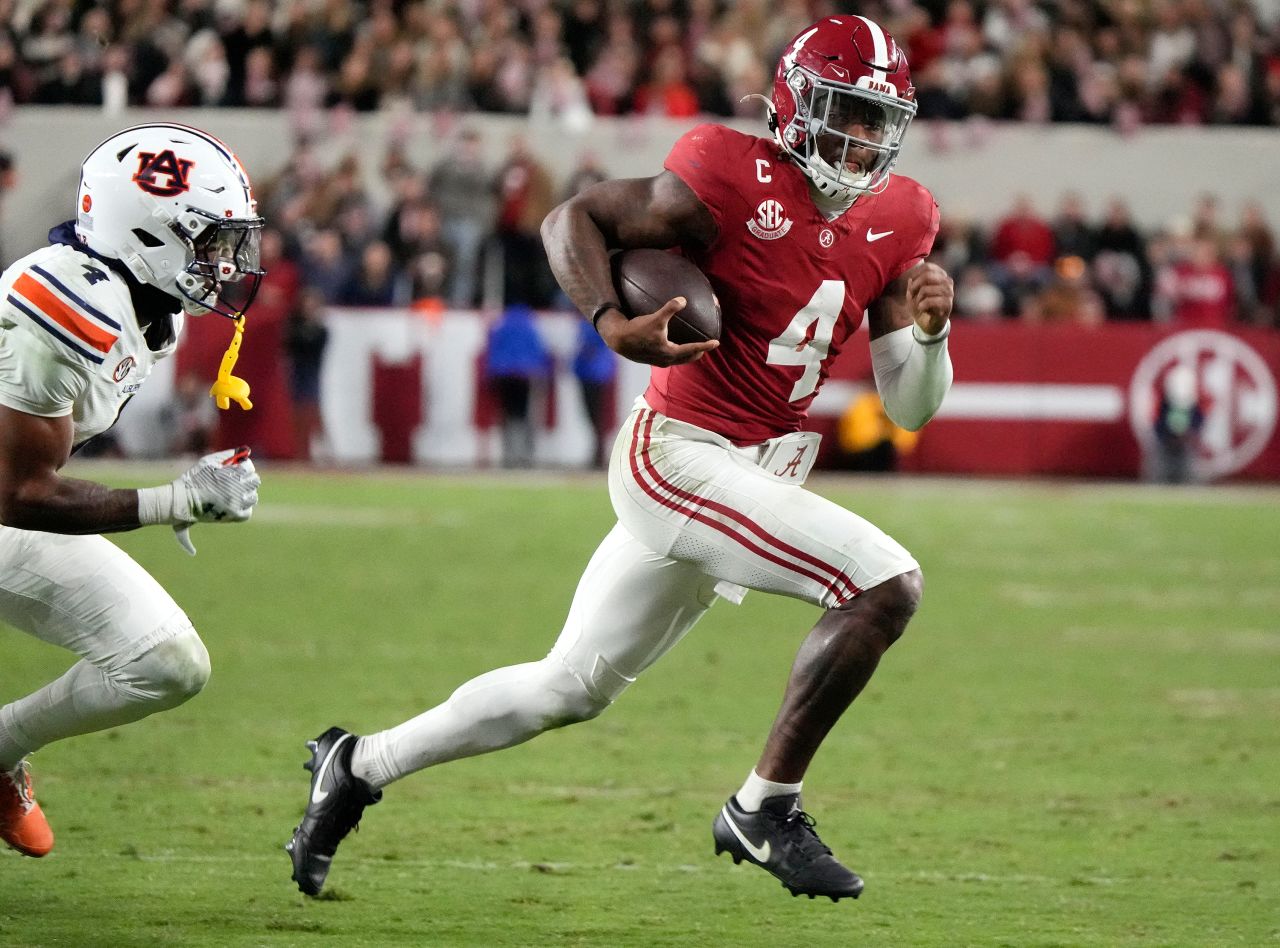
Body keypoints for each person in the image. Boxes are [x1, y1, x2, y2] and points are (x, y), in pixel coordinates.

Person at [287, 16, 953, 903]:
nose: (862, 138)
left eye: (878, 120)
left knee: (567, 688)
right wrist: (608, 320)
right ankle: (765, 807)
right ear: (794, 103)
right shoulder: (726, 171)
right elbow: (576, 219)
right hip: (677, 456)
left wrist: (934, 338)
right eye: (845, 111)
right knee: (884, 584)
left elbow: (908, 406)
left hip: (755, 472)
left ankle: (358, 763)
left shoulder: (902, 216)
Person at [0, 123, 263, 858]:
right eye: (211, 240)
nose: (227, 262)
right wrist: (173, 501)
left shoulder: (146, 307)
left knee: (164, 662)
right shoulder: (60, 305)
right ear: (148, 233)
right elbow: (17, 493)